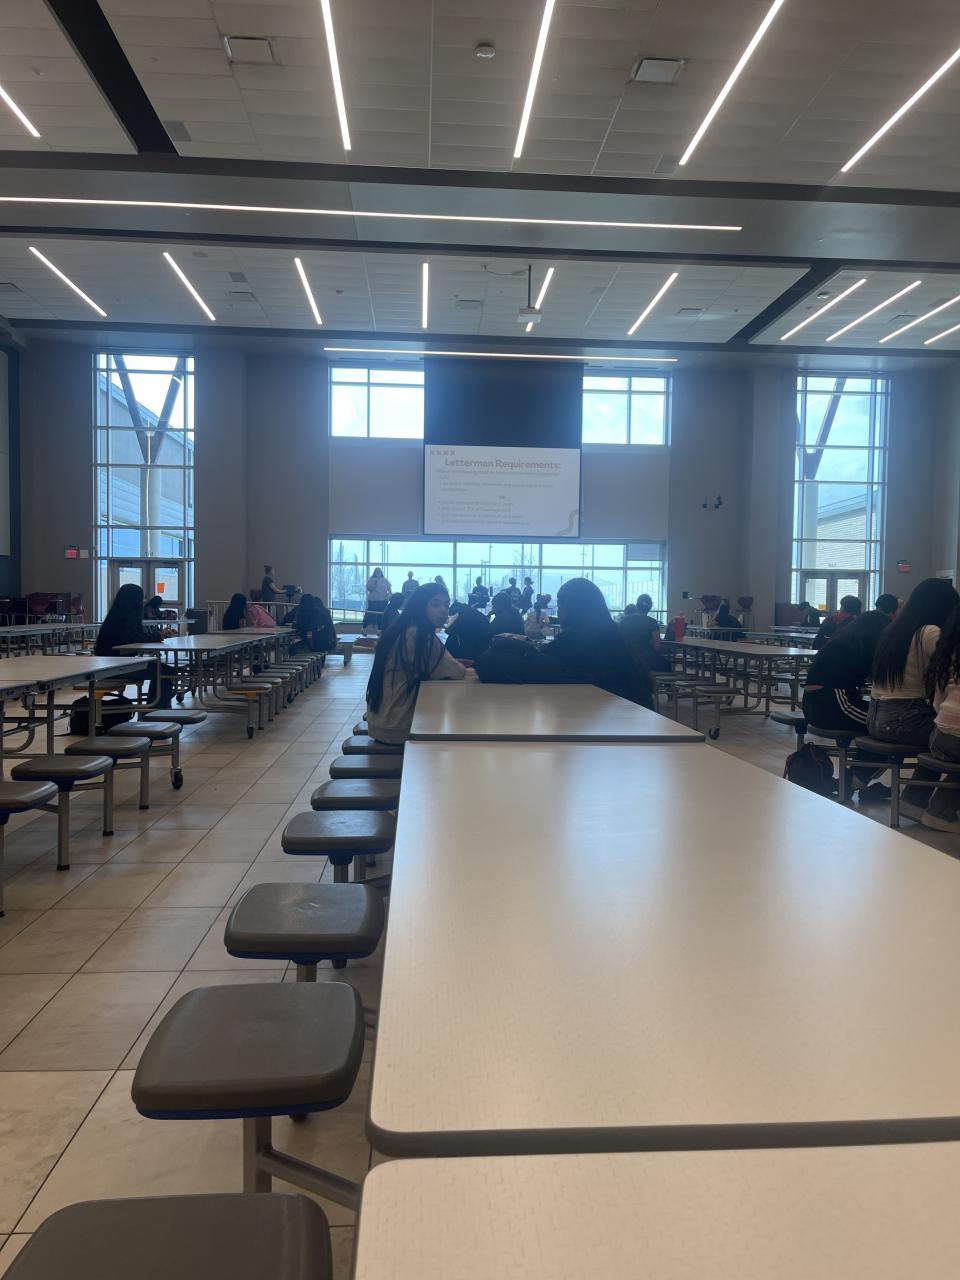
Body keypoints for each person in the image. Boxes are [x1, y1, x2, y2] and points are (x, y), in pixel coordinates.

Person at [477, 577, 653, 708]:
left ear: (573, 609)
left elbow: (489, 664)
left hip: (606, 733)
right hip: (635, 728)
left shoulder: (575, 643)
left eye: (561, 604)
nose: (559, 611)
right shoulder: (615, 639)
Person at [867, 577, 960, 820]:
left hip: (877, 714)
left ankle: (914, 800)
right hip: (904, 718)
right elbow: (944, 677)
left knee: (942, 737)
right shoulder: (930, 633)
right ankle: (939, 808)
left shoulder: (895, 629)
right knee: (949, 734)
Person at [366, 584, 467, 744]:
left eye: (446, 605)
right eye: (435, 604)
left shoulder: (400, 628)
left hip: (379, 721)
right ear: (420, 605)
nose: (443, 610)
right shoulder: (420, 635)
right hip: (400, 726)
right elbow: (456, 672)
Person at [801, 609, 892, 735]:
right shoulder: (862, 642)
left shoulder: (845, 638)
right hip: (833, 704)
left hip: (814, 704)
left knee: (885, 719)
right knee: (890, 723)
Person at [95, 582, 173, 708]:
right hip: (117, 667)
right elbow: (135, 638)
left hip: (113, 665)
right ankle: (155, 709)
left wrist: (157, 635)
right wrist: (158, 636)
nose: (143, 601)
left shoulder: (117, 615)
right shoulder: (126, 618)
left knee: (162, 669)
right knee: (166, 671)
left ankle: (154, 707)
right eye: (141, 598)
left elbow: (135, 637)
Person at [922, 606, 960, 832]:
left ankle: (915, 799)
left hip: (939, 735)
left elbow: (937, 701)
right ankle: (940, 811)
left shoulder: (949, 652)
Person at [621, 599, 671, 673]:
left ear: (637, 606)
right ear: (650, 608)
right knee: (666, 665)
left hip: (627, 659)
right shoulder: (652, 622)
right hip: (646, 659)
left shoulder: (624, 621)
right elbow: (657, 647)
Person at [364, 567, 392, 633]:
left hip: (383, 601)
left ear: (381, 572)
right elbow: (369, 589)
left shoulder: (385, 580)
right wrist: (374, 584)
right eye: (377, 572)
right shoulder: (371, 579)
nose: (378, 573)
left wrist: (389, 596)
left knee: (381, 615)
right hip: (373, 601)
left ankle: (379, 630)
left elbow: (390, 589)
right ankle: (364, 628)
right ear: (375, 572)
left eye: (379, 572)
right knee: (369, 614)